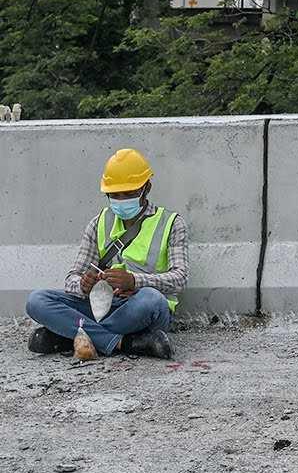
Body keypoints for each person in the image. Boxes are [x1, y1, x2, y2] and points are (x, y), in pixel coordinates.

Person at [25, 149, 188, 359]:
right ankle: (123, 342)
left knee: (152, 299)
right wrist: (83, 285)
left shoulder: (172, 223)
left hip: (139, 307)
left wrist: (135, 281)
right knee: (37, 300)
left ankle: (69, 337)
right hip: (100, 306)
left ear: (146, 188)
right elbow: (72, 278)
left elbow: (180, 278)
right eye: (114, 195)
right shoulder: (98, 223)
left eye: (129, 193)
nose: (121, 200)